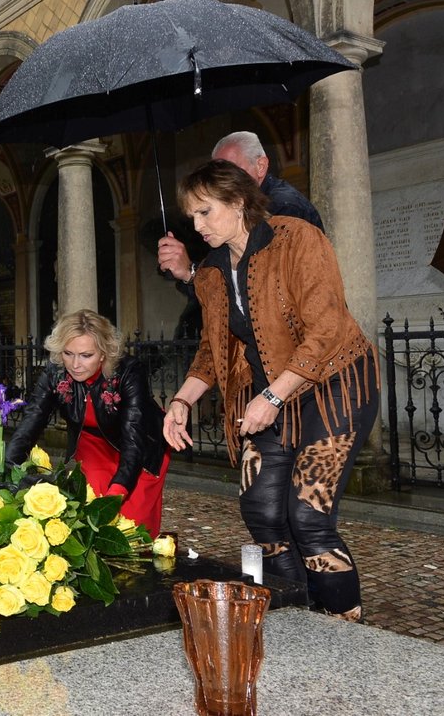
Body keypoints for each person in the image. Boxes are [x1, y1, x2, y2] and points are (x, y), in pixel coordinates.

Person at [161, 159, 379, 622]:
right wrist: (181, 400)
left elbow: (325, 330)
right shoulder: (212, 274)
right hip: (269, 397)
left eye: (205, 212)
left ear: (238, 202)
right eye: (192, 217)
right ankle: (296, 613)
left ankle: (346, 628)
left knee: (309, 518)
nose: (197, 226)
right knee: (260, 511)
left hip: (335, 385)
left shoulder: (297, 238)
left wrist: (275, 396)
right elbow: (211, 351)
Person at [6, 309, 169, 536]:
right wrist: (5, 472)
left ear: (103, 354)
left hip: (140, 448)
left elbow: (134, 439)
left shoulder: (129, 371)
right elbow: (30, 422)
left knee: (131, 528)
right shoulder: (55, 372)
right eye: (68, 353)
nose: (75, 364)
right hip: (92, 446)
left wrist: (116, 495)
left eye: (86, 355)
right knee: (89, 520)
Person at [157, 130, 323, 287]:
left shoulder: (285, 211)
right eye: (217, 175)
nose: (197, 226)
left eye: (230, 171)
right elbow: (225, 298)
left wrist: (191, 271)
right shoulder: (224, 230)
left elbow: (262, 292)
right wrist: (188, 273)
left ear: (261, 166)